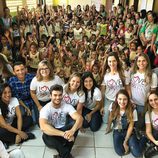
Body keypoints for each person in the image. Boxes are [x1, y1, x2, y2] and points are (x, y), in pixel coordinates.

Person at [39, 84, 83, 158]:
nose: (58, 97)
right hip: (52, 137)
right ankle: (66, 153)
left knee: (75, 123)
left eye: (60, 95)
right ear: (50, 96)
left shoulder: (66, 106)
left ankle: (62, 155)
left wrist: (72, 130)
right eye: (55, 95)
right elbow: (43, 127)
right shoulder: (45, 109)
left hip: (64, 132)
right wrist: (64, 134)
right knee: (46, 130)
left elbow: (80, 118)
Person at [106, 89, 146, 157]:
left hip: (128, 131)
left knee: (137, 154)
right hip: (117, 131)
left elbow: (131, 126)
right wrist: (108, 127)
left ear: (128, 100)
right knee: (120, 152)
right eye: (120, 99)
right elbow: (110, 117)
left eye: (125, 99)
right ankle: (132, 144)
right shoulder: (113, 105)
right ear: (116, 99)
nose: (122, 102)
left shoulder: (132, 109)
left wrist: (125, 141)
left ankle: (144, 138)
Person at [0, 83, 35, 148]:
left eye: (9, 92)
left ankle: (8, 140)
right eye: (4, 93)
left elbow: (19, 116)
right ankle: (21, 138)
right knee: (1, 132)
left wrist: (19, 132)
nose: (8, 95)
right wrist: (20, 132)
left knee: (29, 119)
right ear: (0, 94)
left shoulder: (14, 99)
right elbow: (4, 125)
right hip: (3, 128)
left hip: (12, 124)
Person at [100, 52, 130, 123]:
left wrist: (129, 101)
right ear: (107, 62)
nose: (112, 63)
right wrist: (102, 105)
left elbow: (127, 89)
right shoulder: (105, 74)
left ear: (117, 61)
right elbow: (102, 91)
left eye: (114, 61)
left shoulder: (124, 73)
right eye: (109, 61)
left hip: (120, 101)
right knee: (105, 121)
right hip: (108, 99)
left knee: (121, 121)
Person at [130, 53, 157, 132]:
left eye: (143, 61)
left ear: (147, 62)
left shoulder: (152, 75)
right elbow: (128, 86)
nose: (141, 63)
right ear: (136, 62)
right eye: (139, 61)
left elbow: (153, 92)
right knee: (131, 121)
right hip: (132, 102)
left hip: (143, 104)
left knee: (140, 124)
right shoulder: (133, 73)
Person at [144, 90, 158, 158]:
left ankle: (155, 148)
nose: (154, 102)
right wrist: (155, 142)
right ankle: (154, 145)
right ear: (148, 102)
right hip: (156, 134)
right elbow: (148, 131)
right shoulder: (148, 114)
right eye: (151, 100)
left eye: (156, 99)